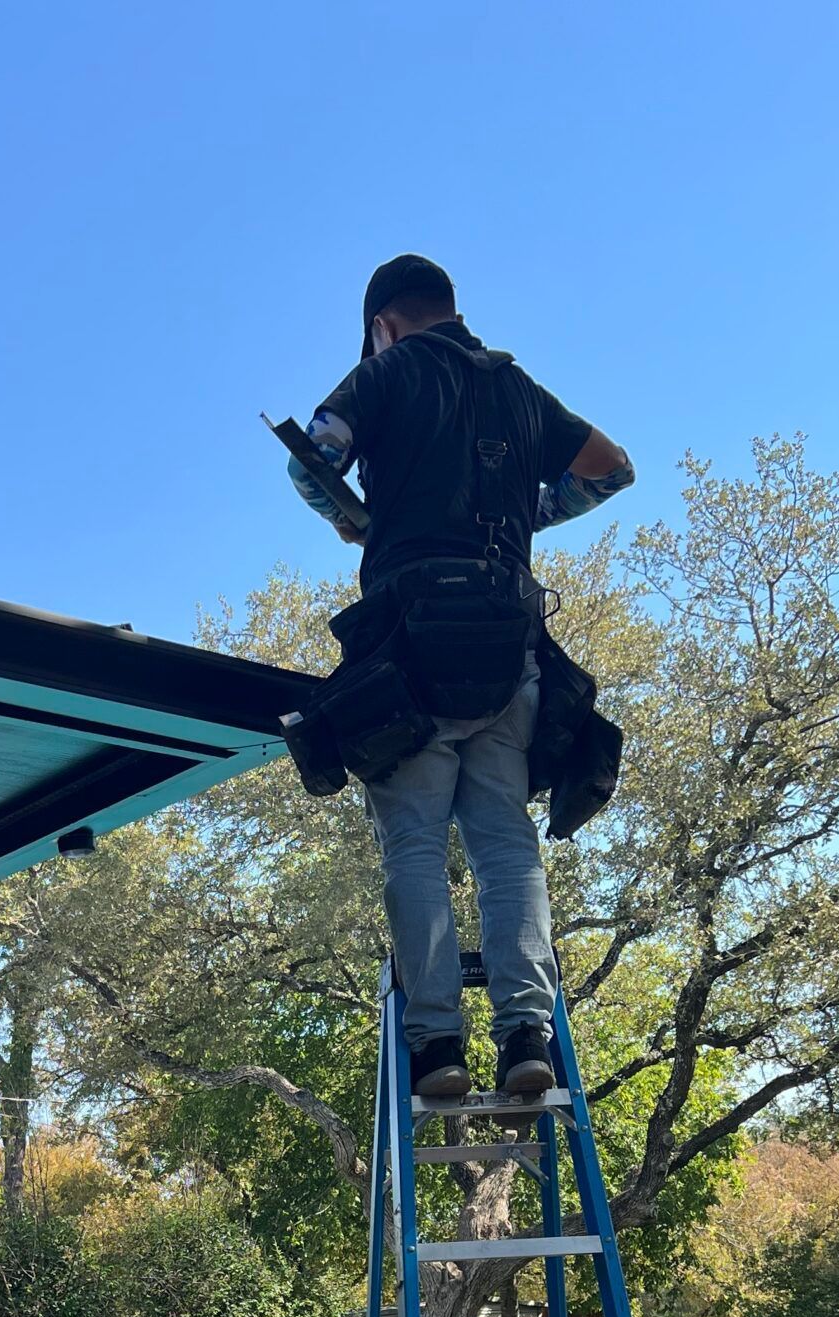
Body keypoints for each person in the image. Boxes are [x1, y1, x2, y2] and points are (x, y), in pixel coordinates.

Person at [288, 254, 635, 1103]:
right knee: (508, 851)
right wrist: (532, 514)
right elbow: (612, 469)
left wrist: (355, 520)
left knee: (415, 844)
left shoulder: (389, 371)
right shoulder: (518, 388)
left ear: (383, 325)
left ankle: (436, 1048)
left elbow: (311, 461)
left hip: (409, 654)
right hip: (508, 649)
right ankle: (528, 1035)